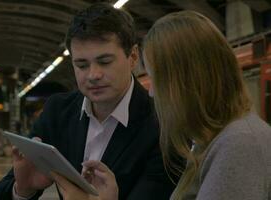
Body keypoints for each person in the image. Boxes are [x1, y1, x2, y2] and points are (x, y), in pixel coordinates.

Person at [52, 10, 271, 200]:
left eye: (157, 80)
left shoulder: (239, 144)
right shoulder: (216, 141)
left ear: (190, 80)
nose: (151, 91)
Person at [0, 3, 176, 200]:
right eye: (81, 65)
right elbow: (2, 192)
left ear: (132, 57)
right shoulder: (59, 112)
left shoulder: (163, 124)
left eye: (105, 62)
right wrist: (22, 190)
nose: (93, 75)